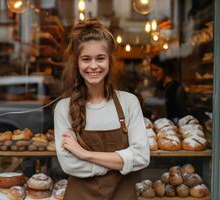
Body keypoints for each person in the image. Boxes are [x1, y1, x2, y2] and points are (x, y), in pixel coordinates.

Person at [53, 19, 150, 200]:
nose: (93, 66)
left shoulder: (129, 102)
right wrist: (120, 163)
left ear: (110, 60)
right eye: (86, 59)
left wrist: (85, 154)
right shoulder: (63, 108)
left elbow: (142, 157)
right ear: (77, 63)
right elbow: (69, 164)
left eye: (100, 58)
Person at [150, 56, 187, 122]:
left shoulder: (177, 88)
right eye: (151, 70)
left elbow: (183, 114)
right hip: (159, 126)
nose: (153, 74)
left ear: (165, 69)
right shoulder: (159, 87)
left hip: (173, 128)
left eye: (156, 70)